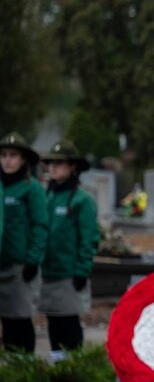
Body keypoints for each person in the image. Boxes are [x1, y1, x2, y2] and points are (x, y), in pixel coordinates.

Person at [39, 140, 99, 362]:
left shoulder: (82, 200)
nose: (53, 168)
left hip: (70, 273)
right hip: (47, 271)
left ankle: (75, 365)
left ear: (73, 166)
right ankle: (58, 365)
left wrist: (82, 269)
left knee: (69, 321)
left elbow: (89, 238)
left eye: (59, 163)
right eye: (50, 164)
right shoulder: (47, 197)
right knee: (53, 319)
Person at [0, 132, 48, 353]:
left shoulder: (31, 188)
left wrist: (33, 259)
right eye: (3, 155)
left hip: (20, 267)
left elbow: (40, 225)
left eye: (13, 155)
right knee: (6, 323)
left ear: (23, 160)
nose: (7, 160)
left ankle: (24, 367)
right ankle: (10, 372)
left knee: (19, 319)